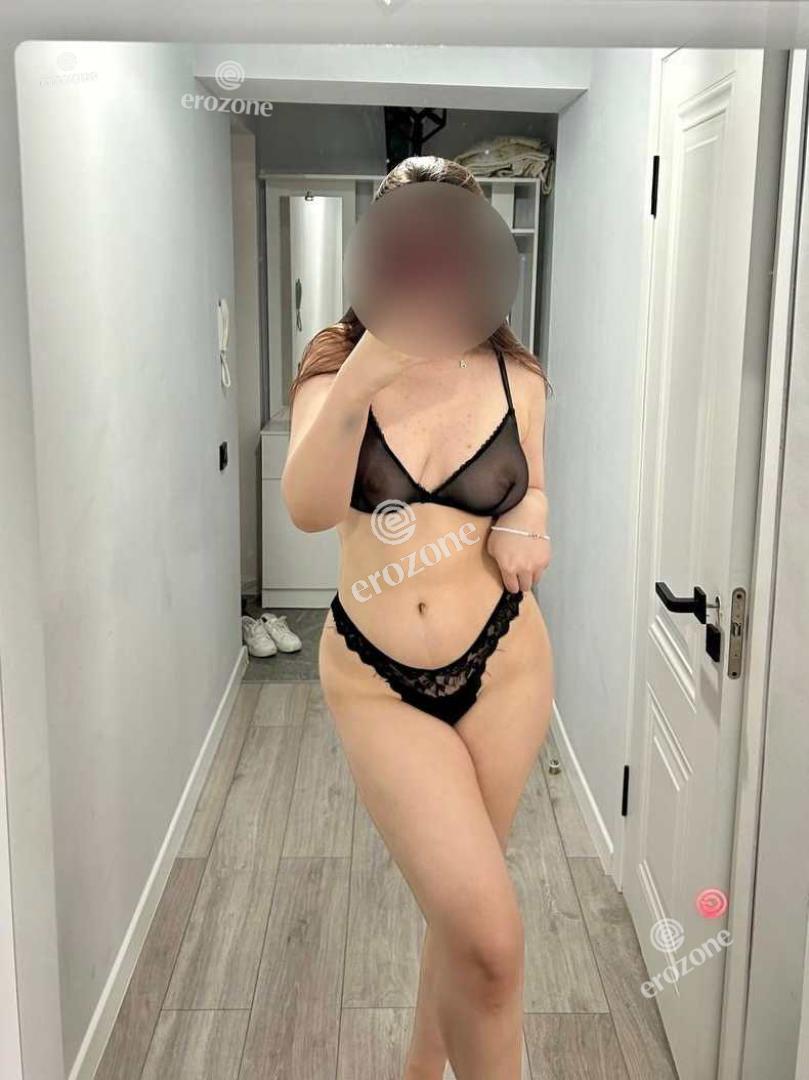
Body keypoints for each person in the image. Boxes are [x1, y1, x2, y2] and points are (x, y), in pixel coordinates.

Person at [281, 155, 554, 1080]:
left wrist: (525, 520)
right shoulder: (332, 364)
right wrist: (362, 380)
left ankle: (419, 1070)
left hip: (506, 664)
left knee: (465, 914)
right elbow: (309, 509)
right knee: (490, 938)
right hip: (377, 679)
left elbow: (532, 487)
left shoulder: (517, 376)